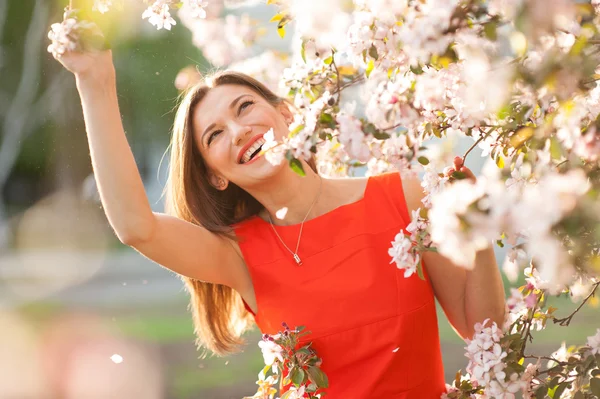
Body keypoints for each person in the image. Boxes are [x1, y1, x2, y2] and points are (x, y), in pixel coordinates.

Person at [53, 41, 506, 398]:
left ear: (285, 112)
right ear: (215, 176)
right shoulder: (239, 255)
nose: (238, 131)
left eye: (245, 107)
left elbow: (481, 327)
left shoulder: (406, 195)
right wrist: (96, 80)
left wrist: (478, 232)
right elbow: (136, 226)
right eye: (214, 135)